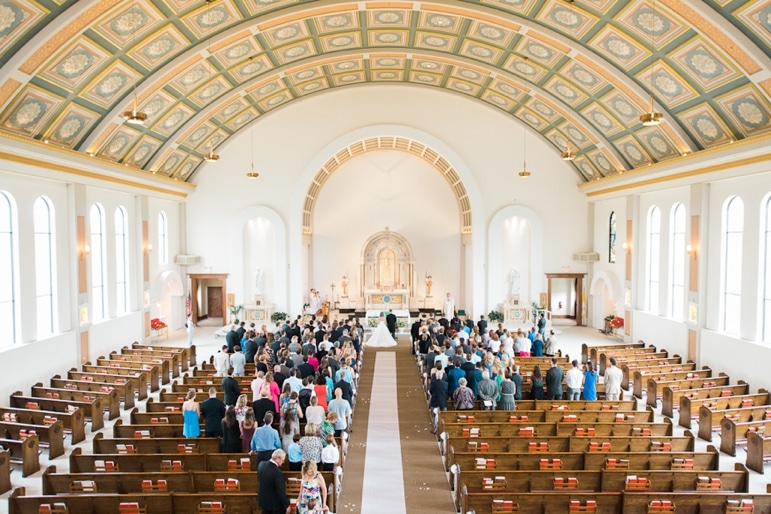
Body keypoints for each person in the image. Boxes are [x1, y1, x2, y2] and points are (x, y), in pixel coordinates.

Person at [257, 449, 291, 514]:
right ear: (277, 459)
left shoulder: (261, 464)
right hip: (274, 505)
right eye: (283, 460)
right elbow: (280, 491)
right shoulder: (278, 473)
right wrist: (286, 505)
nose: (283, 462)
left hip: (263, 501)